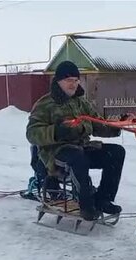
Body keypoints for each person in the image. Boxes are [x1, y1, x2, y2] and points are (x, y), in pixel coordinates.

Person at [26, 60, 126, 221]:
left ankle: (103, 199)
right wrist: (56, 131)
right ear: (58, 82)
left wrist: (115, 126)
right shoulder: (45, 104)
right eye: (68, 81)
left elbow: (97, 124)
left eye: (75, 80)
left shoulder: (82, 103)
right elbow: (32, 133)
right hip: (56, 153)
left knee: (116, 152)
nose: (73, 84)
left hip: (82, 147)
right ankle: (86, 206)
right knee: (77, 157)